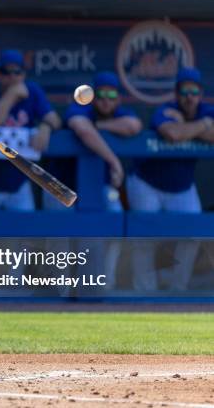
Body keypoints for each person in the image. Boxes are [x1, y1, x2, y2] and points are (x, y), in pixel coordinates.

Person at [46, 71, 142, 290]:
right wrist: (114, 162)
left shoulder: (120, 113)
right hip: (61, 185)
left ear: (118, 98)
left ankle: (103, 278)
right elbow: (82, 128)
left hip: (97, 188)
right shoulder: (80, 108)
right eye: (101, 95)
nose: (106, 100)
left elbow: (133, 126)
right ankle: (60, 288)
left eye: (111, 95)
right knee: (60, 237)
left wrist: (99, 126)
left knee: (115, 221)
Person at [128, 67, 214, 291]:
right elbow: (172, 134)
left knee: (193, 235)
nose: (189, 96)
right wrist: (202, 126)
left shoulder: (207, 111)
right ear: (177, 93)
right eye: (185, 91)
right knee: (144, 239)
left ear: (200, 93)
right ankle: (144, 292)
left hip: (182, 187)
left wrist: (194, 125)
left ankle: (177, 289)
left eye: (194, 91)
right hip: (147, 183)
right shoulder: (165, 109)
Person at [0, 49, 61, 211]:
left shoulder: (33, 91)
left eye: (17, 72)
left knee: (23, 235)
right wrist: (12, 94)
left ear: (23, 74)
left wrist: (45, 127)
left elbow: (55, 119)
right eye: (6, 72)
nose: (12, 77)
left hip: (18, 182)